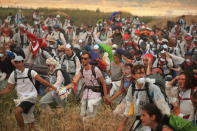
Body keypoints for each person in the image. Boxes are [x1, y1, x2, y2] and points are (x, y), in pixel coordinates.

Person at [0, 55, 55, 130]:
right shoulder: (14, 74)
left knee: (17, 112)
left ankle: (22, 129)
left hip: (31, 97)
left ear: (23, 62)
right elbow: (9, 89)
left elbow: (42, 81)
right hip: (21, 99)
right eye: (16, 62)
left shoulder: (30, 72)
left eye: (20, 62)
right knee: (31, 125)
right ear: (15, 63)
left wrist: (54, 87)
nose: (18, 64)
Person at [118, 64, 170, 131]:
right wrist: (122, 125)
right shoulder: (132, 88)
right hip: (139, 120)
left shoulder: (152, 88)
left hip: (152, 122)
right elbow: (128, 107)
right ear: (133, 75)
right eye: (138, 73)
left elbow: (163, 107)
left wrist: (165, 125)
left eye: (142, 73)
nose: (141, 76)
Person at [64, 51, 108, 120]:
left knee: (90, 109)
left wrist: (105, 96)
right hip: (86, 92)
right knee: (82, 112)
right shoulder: (82, 70)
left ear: (89, 59)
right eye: (82, 58)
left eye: (85, 58)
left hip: (96, 92)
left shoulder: (95, 69)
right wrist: (63, 89)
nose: (83, 60)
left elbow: (103, 82)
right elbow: (74, 82)